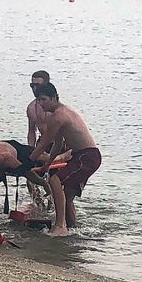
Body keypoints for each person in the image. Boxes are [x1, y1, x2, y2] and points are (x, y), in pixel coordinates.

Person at [30, 83, 101, 236]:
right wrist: (47, 165)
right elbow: (57, 145)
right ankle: (73, 229)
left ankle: (60, 225)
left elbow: (43, 143)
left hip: (87, 156)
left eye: (44, 100)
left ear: (54, 97)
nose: (41, 104)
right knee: (67, 197)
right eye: (38, 100)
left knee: (55, 180)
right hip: (83, 156)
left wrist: (29, 160)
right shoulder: (61, 113)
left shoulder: (59, 115)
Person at [0, 140, 71, 197]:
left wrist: (43, 183)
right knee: (40, 156)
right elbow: (24, 171)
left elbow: (25, 170)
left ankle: (63, 156)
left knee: (45, 158)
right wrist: (43, 183)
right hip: (8, 148)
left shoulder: (1, 157)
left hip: (17, 151)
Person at [27, 70, 50, 147]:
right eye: (32, 85)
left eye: (38, 85)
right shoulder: (31, 108)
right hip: (42, 143)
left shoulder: (56, 106)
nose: (35, 88)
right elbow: (31, 132)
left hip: (60, 144)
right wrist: (30, 149)